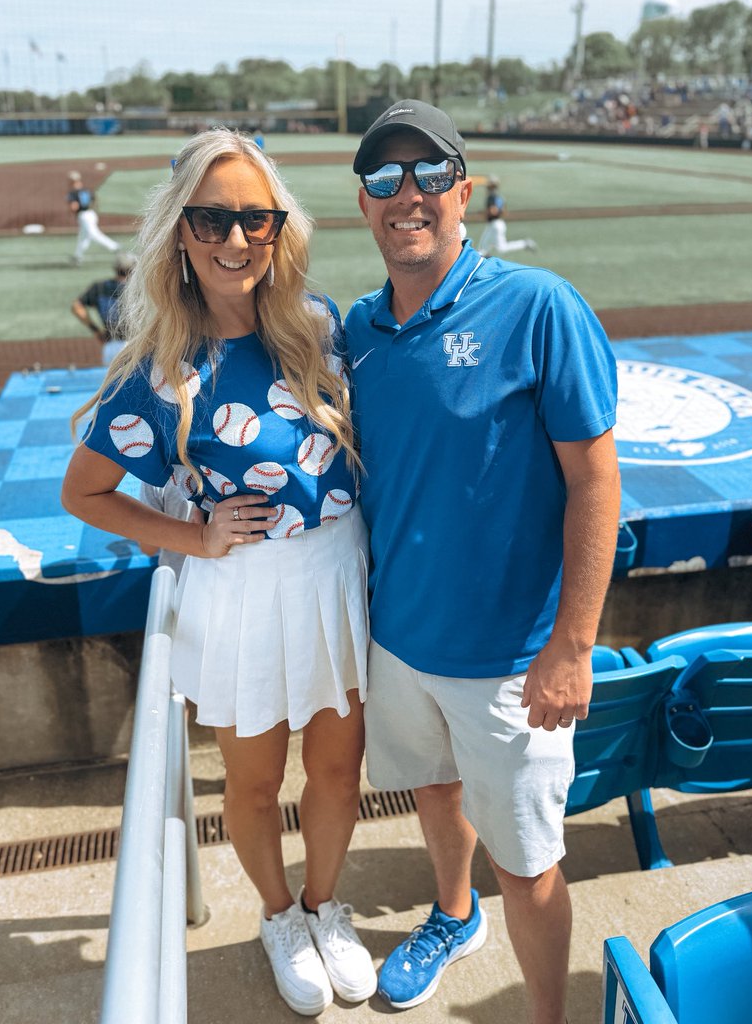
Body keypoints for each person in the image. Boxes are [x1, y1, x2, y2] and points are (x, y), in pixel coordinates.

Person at [61, 129, 377, 1015]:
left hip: (335, 578)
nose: (236, 239)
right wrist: (194, 541)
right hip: (241, 591)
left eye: (256, 219)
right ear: (180, 231)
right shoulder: (162, 369)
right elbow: (84, 492)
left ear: (280, 231)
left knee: (338, 770)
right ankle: (277, 915)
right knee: (250, 780)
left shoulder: (319, 326)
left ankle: (324, 903)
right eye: (213, 218)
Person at [345, 99, 620, 1023]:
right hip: (400, 641)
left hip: (514, 662)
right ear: (364, 205)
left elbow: (596, 481)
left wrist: (574, 644)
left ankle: (547, 1014)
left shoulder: (539, 307)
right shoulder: (358, 333)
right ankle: (452, 916)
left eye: (428, 175)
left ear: (464, 192)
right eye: (385, 179)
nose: (407, 194)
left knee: (530, 864)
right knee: (431, 787)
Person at [71, 253, 136, 365]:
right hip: (133, 345)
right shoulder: (138, 288)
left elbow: (76, 307)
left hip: (110, 346)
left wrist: (95, 330)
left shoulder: (99, 287)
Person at [68, 170, 119, 264]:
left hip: (83, 215)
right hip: (92, 214)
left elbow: (74, 206)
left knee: (93, 234)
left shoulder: (73, 193)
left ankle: (114, 246)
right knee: (83, 236)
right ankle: (77, 256)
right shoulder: (87, 191)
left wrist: (72, 210)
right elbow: (94, 201)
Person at [477, 176, 537, 256]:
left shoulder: (492, 197)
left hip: (495, 225)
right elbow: (504, 212)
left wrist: (483, 213)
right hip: (496, 224)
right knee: (483, 249)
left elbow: (493, 210)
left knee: (497, 248)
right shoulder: (499, 197)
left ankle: (525, 243)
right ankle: (487, 260)